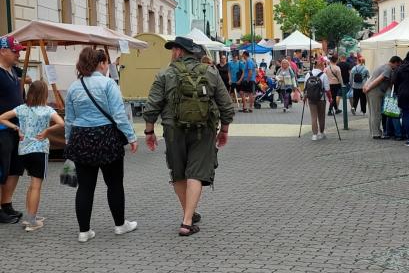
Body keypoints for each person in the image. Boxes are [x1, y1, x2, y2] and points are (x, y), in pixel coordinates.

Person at [143, 36, 235, 237]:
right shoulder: (210, 72)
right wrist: (224, 130)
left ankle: (188, 215)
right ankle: (187, 220)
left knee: (178, 172)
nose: (171, 54)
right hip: (204, 129)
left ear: (178, 51)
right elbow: (226, 104)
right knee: (196, 173)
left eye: (172, 50)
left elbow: (152, 105)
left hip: (173, 130)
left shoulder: (165, 73)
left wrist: (149, 131)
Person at [65, 47, 138, 243]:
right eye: (106, 63)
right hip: (107, 136)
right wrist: (131, 137)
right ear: (101, 63)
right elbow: (119, 114)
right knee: (114, 184)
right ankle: (120, 225)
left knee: (85, 187)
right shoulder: (108, 84)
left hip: (81, 137)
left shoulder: (74, 87)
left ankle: (84, 231)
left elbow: (69, 119)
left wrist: (68, 140)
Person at [0, 79, 64, 232]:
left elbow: (1, 117)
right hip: (39, 151)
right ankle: (32, 221)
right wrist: (47, 131)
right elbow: (61, 123)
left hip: (23, 151)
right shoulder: (48, 110)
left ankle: (30, 216)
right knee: (36, 186)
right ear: (44, 94)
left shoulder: (21, 108)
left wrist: (16, 127)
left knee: (31, 186)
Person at [0, 34, 26, 224]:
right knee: (1, 169)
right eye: (15, 51)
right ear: (3, 51)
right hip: (2, 129)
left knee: (15, 168)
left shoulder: (14, 72)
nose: (18, 54)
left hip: (17, 128)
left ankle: (6, 204)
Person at [363, 55, 402, 139]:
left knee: (372, 112)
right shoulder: (388, 69)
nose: (398, 67)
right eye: (398, 65)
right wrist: (368, 88)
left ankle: (373, 132)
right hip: (375, 91)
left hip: (371, 91)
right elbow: (379, 79)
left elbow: (371, 77)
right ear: (395, 63)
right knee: (376, 113)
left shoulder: (381, 66)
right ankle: (376, 134)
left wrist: (366, 86)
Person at [304, 59, 330, 140]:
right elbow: (327, 89)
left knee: (313, 116)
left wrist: (305, 97)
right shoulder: (324, 75)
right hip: (321, 98)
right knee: (321, 116)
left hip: (311, 98)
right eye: (323, 65)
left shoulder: (308, 74)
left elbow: (305, 88)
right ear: (321, 66)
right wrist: (330, 98)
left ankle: (314, 135)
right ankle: (321, 133)